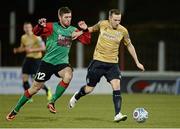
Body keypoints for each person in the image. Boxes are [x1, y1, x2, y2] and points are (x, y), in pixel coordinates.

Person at [6, 6, 91, 121]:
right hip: (47, 63)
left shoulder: (72, 30)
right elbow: (36, 33)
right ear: (59, 17)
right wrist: (40, 25)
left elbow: (87, 41)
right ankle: (15, 110)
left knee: (68, 75)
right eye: (66, 17)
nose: (68, 19)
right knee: (35, 88)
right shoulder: (52, 27)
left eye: (70, 17)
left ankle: (52, 101)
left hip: (62, 63)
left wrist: (85, 30)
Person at [69, 9, 145, 122]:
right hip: (98, 62)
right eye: (115, 20)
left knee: (117, 86)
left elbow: (130, 45)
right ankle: (77, 96)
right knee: (89, 89)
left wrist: (137, 62)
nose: (117, 22)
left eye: (119, 20)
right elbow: (90, 29)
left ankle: (117, 114)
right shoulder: (102, 24)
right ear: (109, 18)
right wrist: (80, 31)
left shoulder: (123, 31)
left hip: (112, 64)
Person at [13, 22, 52, 102]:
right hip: (28, 59)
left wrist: (32, 50)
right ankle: (28, 97)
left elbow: (43, 48)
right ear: (24, 29)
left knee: (36, 81)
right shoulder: (23, 37)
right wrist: (17, 50)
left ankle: (47, 90)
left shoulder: (36, 37)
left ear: (31, 28)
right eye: (25, 27)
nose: (27, 29)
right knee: (24, 78)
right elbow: (23, 48)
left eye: (28, 27)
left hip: (36, 59)